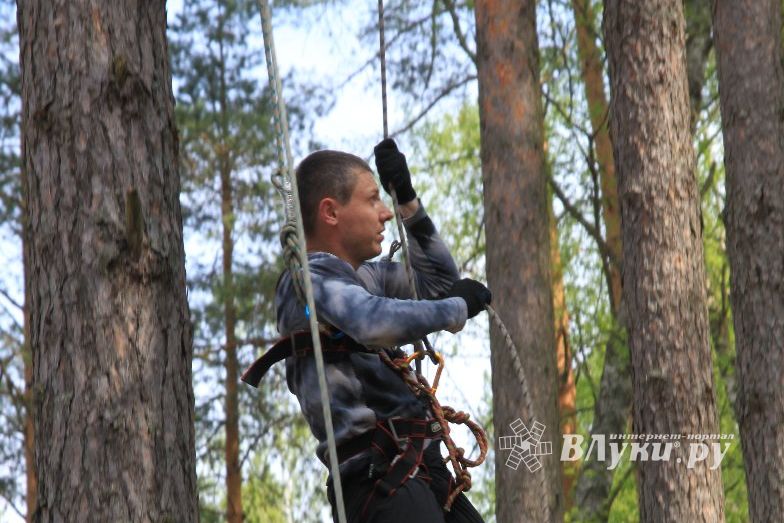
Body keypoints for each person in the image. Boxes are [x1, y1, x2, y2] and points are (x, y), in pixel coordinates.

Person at [248, 139, 491, 522]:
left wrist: (407, 200)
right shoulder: (306, 283)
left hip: (421, 471)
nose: (384, 214)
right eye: (373, 200)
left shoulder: (364, 278)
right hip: (377, 477)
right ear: (330, 212)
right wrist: (455, 308)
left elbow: (441, 281)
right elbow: (370, 322)